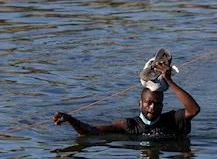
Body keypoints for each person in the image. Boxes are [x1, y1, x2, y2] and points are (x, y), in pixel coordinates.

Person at [53, 59, 199, 138]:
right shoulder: (129, 125)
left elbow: (194, 109)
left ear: (162, 105)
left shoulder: (172, 120)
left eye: (157, 104)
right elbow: (91, 131)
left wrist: (169, 81)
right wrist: (70, 119)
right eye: (148, 103)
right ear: (140, 103)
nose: (152, 107)